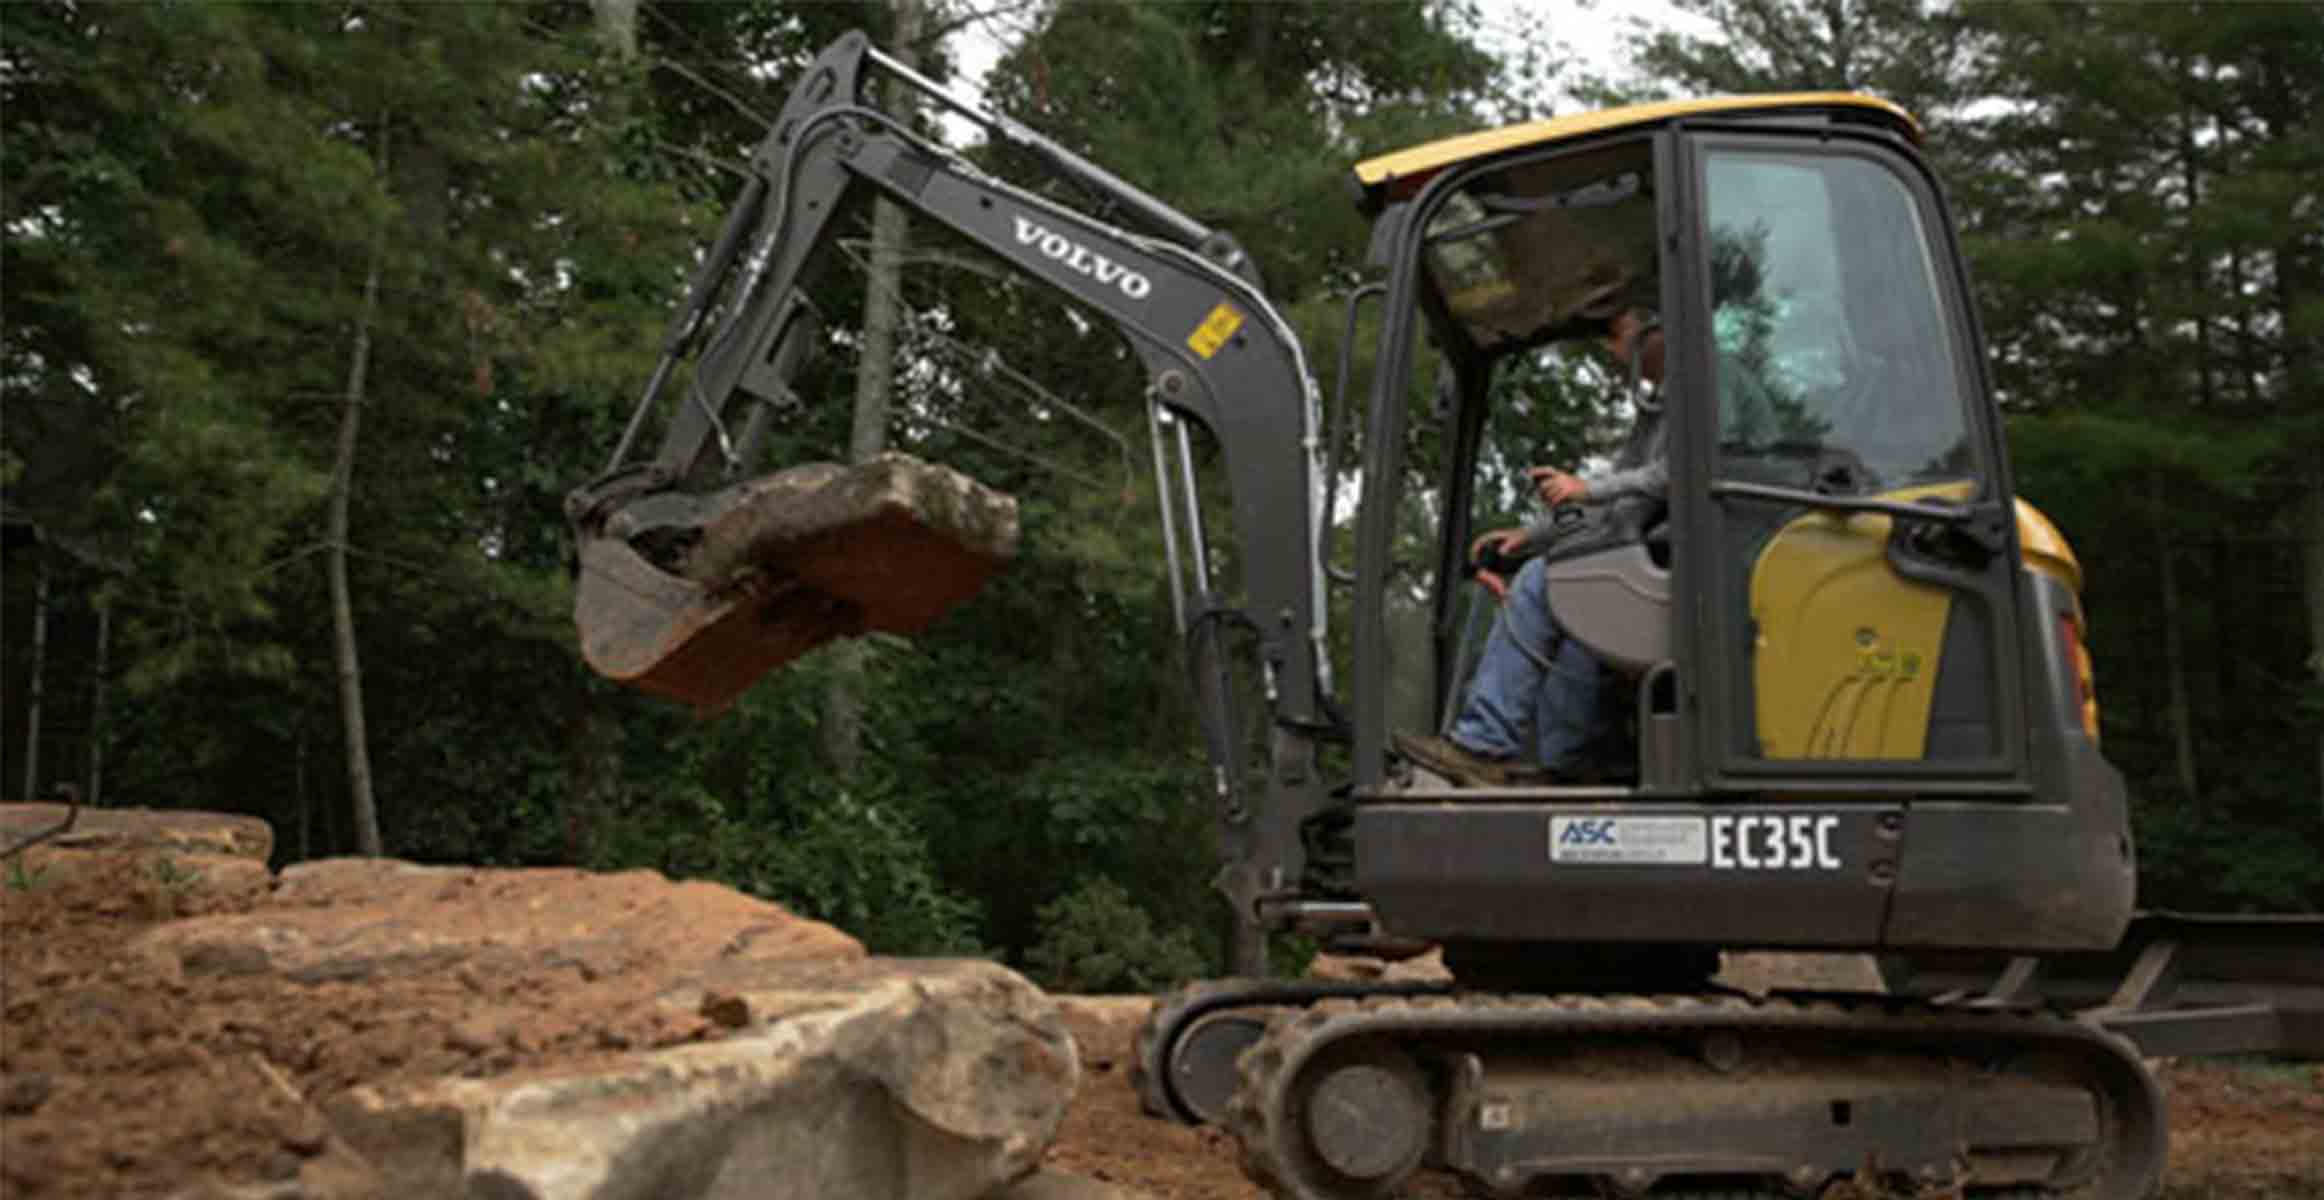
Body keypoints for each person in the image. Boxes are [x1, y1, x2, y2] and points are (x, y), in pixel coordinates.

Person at [1396, 309, 1667, 787]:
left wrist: (1586, 489)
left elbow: (1668, 479)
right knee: (1573, 600)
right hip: (1651, 550)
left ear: (1655, 331)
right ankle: (1567, 764)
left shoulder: (1707, 392)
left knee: (1542, 581)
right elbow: (1609, 502)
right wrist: (1531, 536)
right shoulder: (1660, 414)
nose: (1609, 349)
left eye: (1614, 333)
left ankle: (1482, 743)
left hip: (1688, 563)